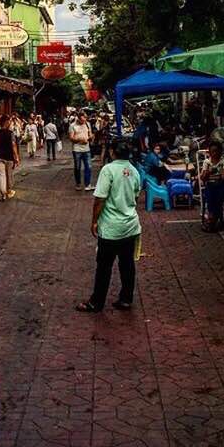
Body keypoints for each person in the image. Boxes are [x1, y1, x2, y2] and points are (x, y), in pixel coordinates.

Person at [76, 139, 142, 313]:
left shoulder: (108, 170)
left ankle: (96, 302)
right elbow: (136, 196)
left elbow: (100, 199)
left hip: (112, 227)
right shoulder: (134, 171)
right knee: (127, 264)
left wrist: (94, 221)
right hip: (130, 225)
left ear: (113, 152)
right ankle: (126, 298)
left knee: (104, 266)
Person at [200, 141, 224, 232]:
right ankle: (213, 220)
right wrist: (207, 173)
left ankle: (211, 220)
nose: (215, 153)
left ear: (220, 151)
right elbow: (203, 178)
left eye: (217, 151)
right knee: (211, 194)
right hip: (210, 186)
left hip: (221, 185)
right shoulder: (207, 162)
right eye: (212, 151)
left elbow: (223, 176)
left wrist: (213, 175)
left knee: (217, 194)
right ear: (209, 152)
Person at [0, 115, 20, 200]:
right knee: (9, 175)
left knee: (1, 175)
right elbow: (13, 145)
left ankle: (3, 194)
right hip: (9, 157)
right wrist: (17, 157)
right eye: (9, 122)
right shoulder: (10, 133)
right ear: (6, 123)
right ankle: (8, 191)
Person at [69, 111, 93, 192]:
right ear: (78, 118)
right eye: (83, 119)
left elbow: (90, 134)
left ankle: (87, 184)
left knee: (88, 167)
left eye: (85, 118)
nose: (84, 120)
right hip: (77, 150)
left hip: (87, 149)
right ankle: (78, 183)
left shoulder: (87, 124)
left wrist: (90, 137)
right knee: (77, 167)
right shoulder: (72, 126)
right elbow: (71, 138)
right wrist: (80, 139)